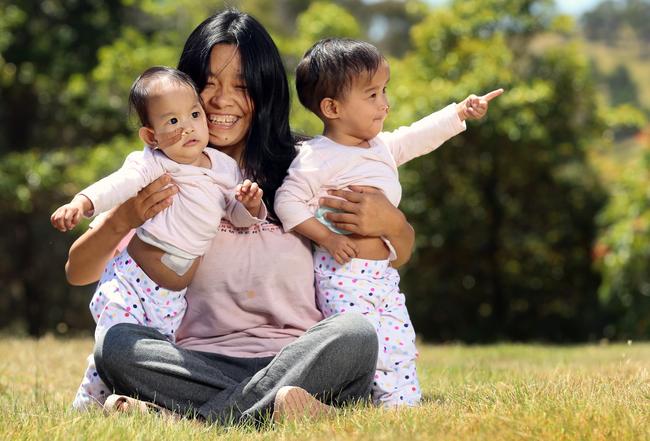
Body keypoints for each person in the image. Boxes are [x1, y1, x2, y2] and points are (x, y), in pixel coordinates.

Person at [64, 9, 415, 425]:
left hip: (299, 361)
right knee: (117, 345)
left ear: (264, 93)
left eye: (242, 87)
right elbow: (79, 269)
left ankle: (189, 418)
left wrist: (395, 224)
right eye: (207, 84)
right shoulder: (162, 170)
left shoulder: (306, 168)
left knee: (356, 335)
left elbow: (387, 258)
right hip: (195, 364)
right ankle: (274, 411)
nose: (221, 100)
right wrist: (121, 219)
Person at [275, 38, 502, 407]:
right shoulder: (317, 157)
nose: (385, 103)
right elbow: (287, 203)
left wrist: (458, 113)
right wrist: (328, 240)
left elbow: (417, 137)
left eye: (384, 90)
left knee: (398, 340)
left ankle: (403, 405)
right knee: (369, 344)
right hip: (342, 274)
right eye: (372, 95)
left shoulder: (380, 146)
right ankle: (357, 400)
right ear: (332, 107)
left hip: (382, 273)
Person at [51, 66, 266, 410]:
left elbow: (236, 215)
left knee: (156, 353)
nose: (188, 128)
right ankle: (87, 406)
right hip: (132, 281)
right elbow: (117, 184)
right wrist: (83, 202)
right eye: (172, 122)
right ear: (151, 137)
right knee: (115, 344)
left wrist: (250, 206)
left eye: (194, 115)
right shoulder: (154, 164)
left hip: (172, 299)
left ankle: (135, 406)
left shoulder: (223, 167)